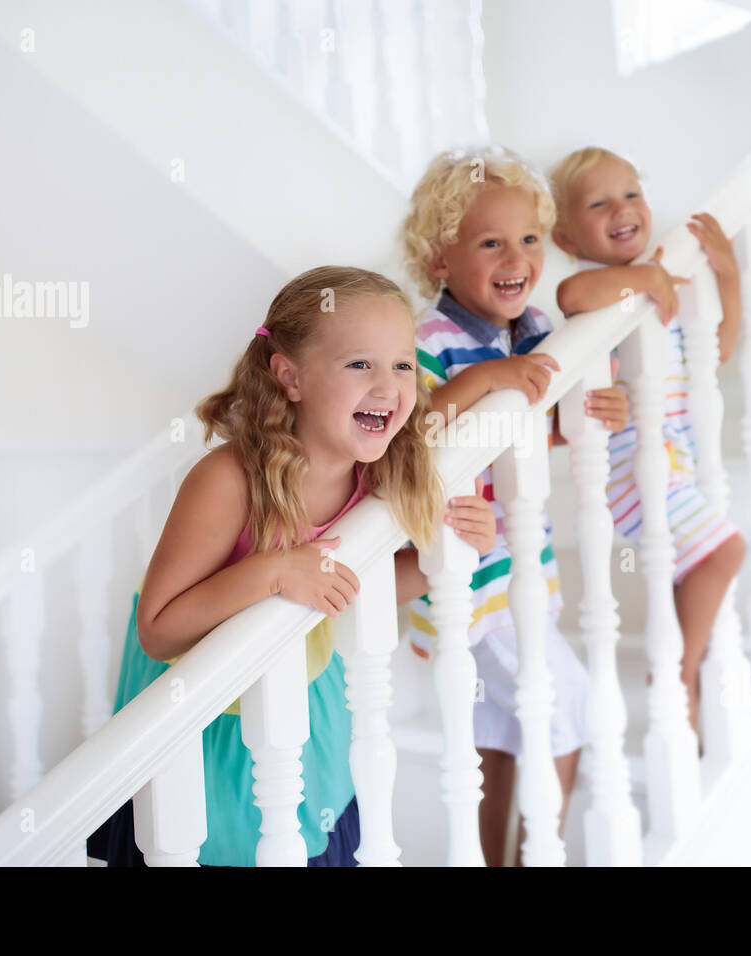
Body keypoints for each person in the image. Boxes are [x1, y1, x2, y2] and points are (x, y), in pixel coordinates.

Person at [86, 265, 494, 866]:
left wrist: (452, 556)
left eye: (403, 364)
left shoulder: (377, 475)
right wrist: (273, 573)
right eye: (360, 364)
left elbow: (364, 587)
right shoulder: (229, 480)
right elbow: (159, 628)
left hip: (306, 688)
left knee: (307, 831)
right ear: (290, 377)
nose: (388, 385)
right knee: (215, 842)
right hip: (208, 714)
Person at [400, 145, 631, 865]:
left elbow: (544, 422)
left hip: (522, 562)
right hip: (471, 579)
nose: (517, 257)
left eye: (529, 239)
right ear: (440, 257)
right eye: (490, 242)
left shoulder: (531, 325)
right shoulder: (423, 340)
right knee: (572, 706)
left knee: (505, 729)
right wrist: (492, 378)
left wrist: (592, 411)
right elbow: (418, 432)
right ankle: (542, 853)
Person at [546, 146, 746, 742]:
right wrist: (647, 278)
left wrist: (727, 275)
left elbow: (721, 348)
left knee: (697, 571)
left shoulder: (662, 290)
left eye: (631, 194)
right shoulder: (604, 293)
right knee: (725, 553)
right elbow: (571, 298)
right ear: (564, 234)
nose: (622, 209)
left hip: (673, 460)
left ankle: (687, 674)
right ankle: (677, 673)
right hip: (634, 475)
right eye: (599, 203)